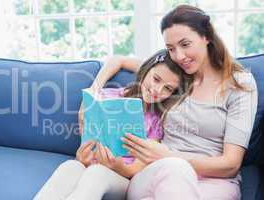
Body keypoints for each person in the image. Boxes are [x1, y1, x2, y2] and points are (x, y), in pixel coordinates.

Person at [119, 5, 258, 200]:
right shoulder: (175, 75)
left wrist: (168, 156)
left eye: (185, 44)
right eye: (171, 49)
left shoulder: (239, 83)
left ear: (206, 36)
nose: (179, 56)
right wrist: (91, 93)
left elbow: (231, 165)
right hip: (156, 172)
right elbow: (123, 62)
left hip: (213, 182)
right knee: (174, 170)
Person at [34, 49, 193, 200]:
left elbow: (134, 169)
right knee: (69, 167)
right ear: (145, 71)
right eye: (156, 79)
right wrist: (82, 157)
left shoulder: (158, 120)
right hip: (91, 165)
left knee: (96, 173)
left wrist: (115, 165)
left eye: (168, 89)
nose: (157, 90)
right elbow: (87, 142)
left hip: (121, 178)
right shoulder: (107, 97)